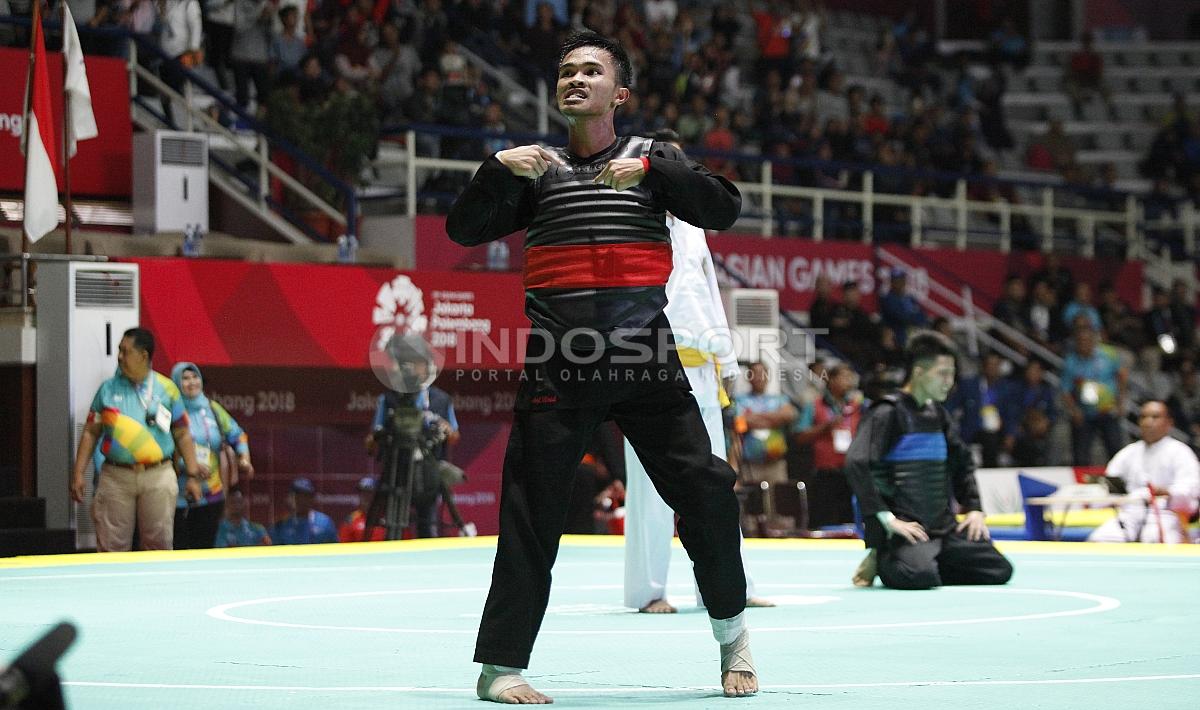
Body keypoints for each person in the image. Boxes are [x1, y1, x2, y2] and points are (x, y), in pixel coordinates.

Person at [446, 31, 757, 702]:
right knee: (530, 513)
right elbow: (463, 231)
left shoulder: (653, 160)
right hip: (561, 365)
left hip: (646, 360)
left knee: (707, 493)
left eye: (591, 70)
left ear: (619, 94)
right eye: (566, 71)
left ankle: (734, 643)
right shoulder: (535, 170)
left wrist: (659, 173)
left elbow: (725, 207)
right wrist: (497, 168)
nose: (575, 79)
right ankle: (500, 669)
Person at [622, 129, 771, 614]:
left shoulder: (693, 225)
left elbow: (708, 294)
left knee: (714, 481)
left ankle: (732, 587)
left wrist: (726, 361)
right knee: (649, 486)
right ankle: (649, 591)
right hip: (646, 362)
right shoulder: (627, 214)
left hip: (702, 365)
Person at [843, 331, 1014, 590]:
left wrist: (974, 507)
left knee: (998, 570)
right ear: (919, 372)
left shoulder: (939, 415)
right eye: (942, 374)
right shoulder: (887, 412)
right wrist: (886, 521)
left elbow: (963, 462)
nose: (950, 382)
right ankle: (883, 556)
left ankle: (928, 561)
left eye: (952, 374)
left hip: (943, 529)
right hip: (908, 529)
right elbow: (857, 462)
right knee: (919, 577)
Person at [69, 328, 202, 552]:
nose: (119, 356)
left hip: (157, 475)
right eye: (119, 351)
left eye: (125, 351)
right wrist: (78, 473)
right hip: (115, 477)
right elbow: (92, 432)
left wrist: (192, 476)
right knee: (111, 546)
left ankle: (156, 587)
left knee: (158, 544)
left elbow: (182, 433)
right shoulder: (108, 390)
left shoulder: (167, 389)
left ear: (143, 356)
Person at [170, 362, 255, 549]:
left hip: (211, 494)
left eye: (195, 377)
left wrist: (244, 457)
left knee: (205, 548)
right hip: (179, 496)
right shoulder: (170, 411)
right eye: (185, 378)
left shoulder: (212, 408)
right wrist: (189, 465)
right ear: (176, 383)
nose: (191, 382)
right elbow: (163, 448)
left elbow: (237, 434)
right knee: (180, 549)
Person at [1088, 402, 1199, 543]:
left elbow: (1191, 489)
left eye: (1155, 417)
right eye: (1144, 417)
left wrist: (1165, 491)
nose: (1148, 422)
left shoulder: (1180, 452)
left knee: (1153, 538)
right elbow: (1109, 482)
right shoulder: (1128, 452)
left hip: (1164, 514)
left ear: (1169, 423)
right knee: (1100, 538)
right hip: (1129, 513)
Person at [367, 380, 461, 538]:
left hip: (427, 474)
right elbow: (372, 441)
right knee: (391, 528)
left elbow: (454, 436)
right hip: (396, 472)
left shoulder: (441, 399)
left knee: (427, 525)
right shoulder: (389, 398)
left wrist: (445, 428)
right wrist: (378, 437)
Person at [793, 363, 863, 529]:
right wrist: (825, 427)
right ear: (831, 380)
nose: (849, 382)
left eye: (850, 378)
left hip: (850, 473)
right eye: (844, 377)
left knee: (850, 522)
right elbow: (800, 436)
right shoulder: (814, 405)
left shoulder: (856, 406)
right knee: (824, 520)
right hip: (824, 474)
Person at [1061, 324, 1128, 465]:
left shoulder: (1108, 354)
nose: (1083, 344)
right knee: (1081, 456)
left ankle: (1117, 484)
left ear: (1093, 341)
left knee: (1116, 450)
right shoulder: (1071, 362)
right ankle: (1082, 484)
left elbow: (1121, 375)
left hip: (1108, 410)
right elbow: (1065, 389)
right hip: (1084, 413)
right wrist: (1074, 410)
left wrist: (1121, 401)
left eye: (1086, 341)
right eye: (1080, 341)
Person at [733, 361, 798, 487]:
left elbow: (789, 415)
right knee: (753, 502)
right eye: (755, 374)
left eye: (762, 373)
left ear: (767, 376)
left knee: (778, 500)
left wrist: (753, 417)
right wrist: (773, 419)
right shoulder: (739, 400)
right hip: (750, 464)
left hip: (776, 463)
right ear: (748, 377)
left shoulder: (779, 399)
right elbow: (739, 423)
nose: (758, 377)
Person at [270, 477, 338, 545]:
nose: (301, 501)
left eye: (305, 496)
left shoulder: (325, 523)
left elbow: (335, 551)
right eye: (297, 497)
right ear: (290, 499)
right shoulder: (281, 526)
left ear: (312, 498)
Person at [880, 269, 928, 347]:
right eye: (896, 280)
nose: (899, 283)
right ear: (891, 282)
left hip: (914, 337)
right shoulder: (887, 299)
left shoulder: (910, 298)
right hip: (897, 338)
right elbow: (901, 317)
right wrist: (912, 316)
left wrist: (913, 317)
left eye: (901, 280)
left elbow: (922, 317)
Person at [338, 476, 386, 542]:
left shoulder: (388, 519)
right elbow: (344, 546)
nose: (366, 497)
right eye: (363, 493)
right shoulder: (351, 520)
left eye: (370, 493)